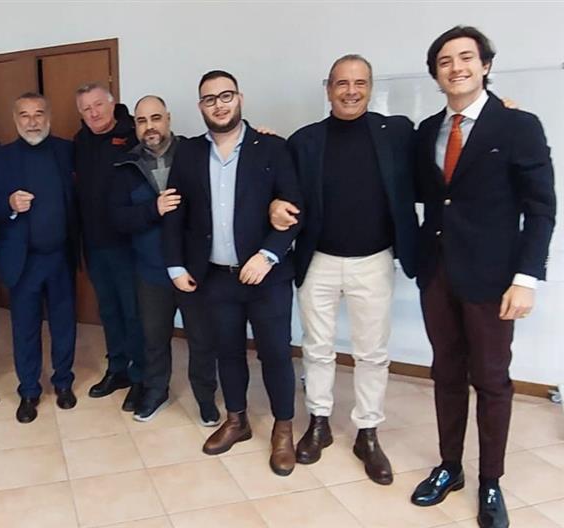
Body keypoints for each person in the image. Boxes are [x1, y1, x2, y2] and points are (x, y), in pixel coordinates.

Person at [408, 26, 556, 528]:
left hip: (494, 278)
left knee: (491, 380)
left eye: (466, 58)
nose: (456, 68)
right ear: (436, 74)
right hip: (437, 273)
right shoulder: (428, 129)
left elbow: (541, 209)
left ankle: (490, 480)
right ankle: (450, 467)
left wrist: (526, 278)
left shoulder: (518, 125)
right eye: (445, 61)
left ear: (485, 65)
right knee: (446, 374)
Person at [270, 55, 419, 485]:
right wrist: (274, 201)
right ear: (328, 88)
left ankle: (367, 432)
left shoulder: (398, 132)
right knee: (317, 348)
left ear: (370, 87)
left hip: (374, 261)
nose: (351, 91)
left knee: (372, 353)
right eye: (342, 83)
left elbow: (439, 141)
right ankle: (319, 423)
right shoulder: (305, 141)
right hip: (318, 260)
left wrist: (499, 109)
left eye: (359, 83)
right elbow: (280, 186)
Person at [162, 70, 301, 476]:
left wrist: (268, 255)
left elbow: (295, 208)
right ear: (200, 106)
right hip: (216, 276)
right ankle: (237, 420)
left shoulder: (272, 147)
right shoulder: (188, 153)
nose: (219, 105)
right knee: (228, 351)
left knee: (276, 353)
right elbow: (174, 213)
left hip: (267, 276)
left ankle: (283, 429)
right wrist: (175, 264)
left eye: (226, 96)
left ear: (240, 98)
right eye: (210, 99)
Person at [110, 95, 219, 425]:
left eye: (155, 118)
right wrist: (152, 209)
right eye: (142, 121)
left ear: (168, 119)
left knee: (201, 339)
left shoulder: (196, 152)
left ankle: (205, 398)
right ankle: (156, 392)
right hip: (151, 270)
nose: (150, 127)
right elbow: (118, 219)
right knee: (154, 339)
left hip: (193, 268)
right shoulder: (124, 166)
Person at [0, 92, 78, 424]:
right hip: (23, 261)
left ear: (48, 117)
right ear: (15, 119)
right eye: (25, 115)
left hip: (60, 257)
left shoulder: (66, 150)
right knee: (25, 329)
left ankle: (63, 382)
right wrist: (7, 204)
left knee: (64, 325)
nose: (32, 122)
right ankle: (29, 390)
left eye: (38, 114)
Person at [74, 83, 145, 412]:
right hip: (94, 244)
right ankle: (118, 369)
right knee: (109, 312)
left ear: (112, 103)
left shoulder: (133, 135)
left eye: (98, 105)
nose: (93, 113)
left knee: (134, 313)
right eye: (86, 109)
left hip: (128, 245)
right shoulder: (79, 141)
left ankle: (141, 376)